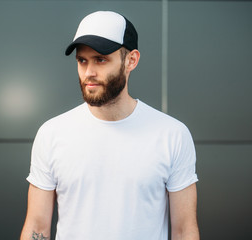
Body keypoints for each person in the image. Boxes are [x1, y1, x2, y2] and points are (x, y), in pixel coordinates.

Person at [20, 11, 199, 240]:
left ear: (131, 60)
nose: (89, 73)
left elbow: (184, 231)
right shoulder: (52, 134)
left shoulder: (172, 135)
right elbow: (37, 227)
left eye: (101, 59)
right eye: (82, 60)